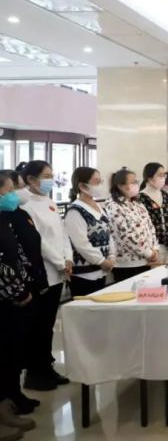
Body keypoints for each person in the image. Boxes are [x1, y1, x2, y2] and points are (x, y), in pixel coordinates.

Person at [17, 162, 72, 391]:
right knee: (38, 326)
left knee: (48, 324)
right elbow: (38, 241)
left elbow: (61, 233)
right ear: (31, 179)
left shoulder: (50, 202)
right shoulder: (26, 205)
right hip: (44, 272)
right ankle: (36, 372)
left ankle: (47, 367)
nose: (51, 180)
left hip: (60, 271)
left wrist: (68, 258)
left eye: (52, 175)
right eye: (46, 176)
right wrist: (59, 262)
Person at [0, 170, 40, 422]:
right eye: (10, 190)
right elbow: (2, 265)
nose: (14, 194)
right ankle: (6, 403)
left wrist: (26, 283)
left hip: (16, 295)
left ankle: (14, 395)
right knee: (5, 353)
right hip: (6, 299)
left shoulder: (6, 218)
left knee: (14, 352)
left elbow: (17, 255)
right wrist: (18, 291)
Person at [64, 168, 116, 296]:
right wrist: (101, 261)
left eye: (100, 181)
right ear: (82, 186)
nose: (100, 185)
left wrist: (111, 257)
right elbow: (81, 244)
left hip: (102, 270)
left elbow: (109, 234)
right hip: (85, 274)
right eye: (96, 181)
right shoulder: (75, 211)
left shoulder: (99, 207)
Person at [105, 169, 160, 282]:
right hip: (127, 263)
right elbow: (126, 235)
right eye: (133, 182)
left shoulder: (137, 203)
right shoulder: (113, 205)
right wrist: (148, 253)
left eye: (136, 181)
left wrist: (155, 248)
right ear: (121, 186)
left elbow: (150, 227)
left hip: (145, 260)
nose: (136, 185)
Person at [138, 163, 168, 264]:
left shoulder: (164, 195)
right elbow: (147, 224)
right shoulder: (141, 197)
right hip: (153, 247)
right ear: (149, 177)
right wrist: (163, 241)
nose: (163, 178)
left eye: (164, 175)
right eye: (159, 175)